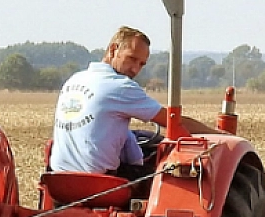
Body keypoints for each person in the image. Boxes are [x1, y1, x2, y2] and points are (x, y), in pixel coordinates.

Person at [50, 26, 220, 175]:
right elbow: (173, 121)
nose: (135, 69)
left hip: (59, 179)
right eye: (132, 59)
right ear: (113, 49)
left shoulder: (74, 80)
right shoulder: (120, 86)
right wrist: (219, 135)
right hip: (101, 182)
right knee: (163, 172)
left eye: (141, 64)